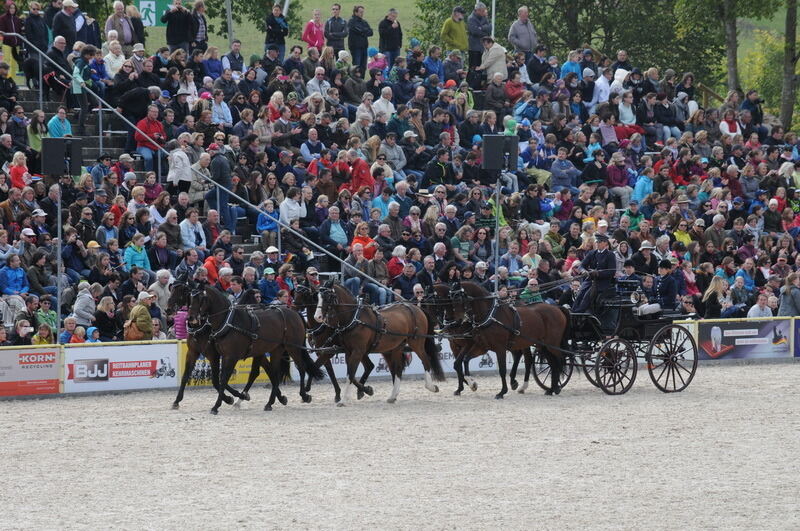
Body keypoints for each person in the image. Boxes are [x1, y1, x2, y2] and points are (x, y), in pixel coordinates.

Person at [572, 233, 616, 329]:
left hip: (602, 283)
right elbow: (581, 265)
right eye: (597, 242)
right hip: (589, 280)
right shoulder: (592, 253)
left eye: (600, 242)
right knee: (579, 294)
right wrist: (584, 271)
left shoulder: (610, 255)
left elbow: (612, 271)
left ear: (605, 243)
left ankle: (579, 316)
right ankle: (573, 313)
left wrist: (598, 273)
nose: (598, 244)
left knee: (586, 297)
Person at [348, 5, 373, 72]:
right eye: (360, 12)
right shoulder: (351, 22)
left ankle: (361, 81)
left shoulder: (364, 22)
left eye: (363, 12)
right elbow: (357, 30)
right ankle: (355, 81)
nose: (362, 14)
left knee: (363, 67)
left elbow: (371, 32)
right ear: (356, 13)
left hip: (364, 47)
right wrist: (364, 31)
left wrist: (362, 31)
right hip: (356, 48)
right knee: (356, 66)